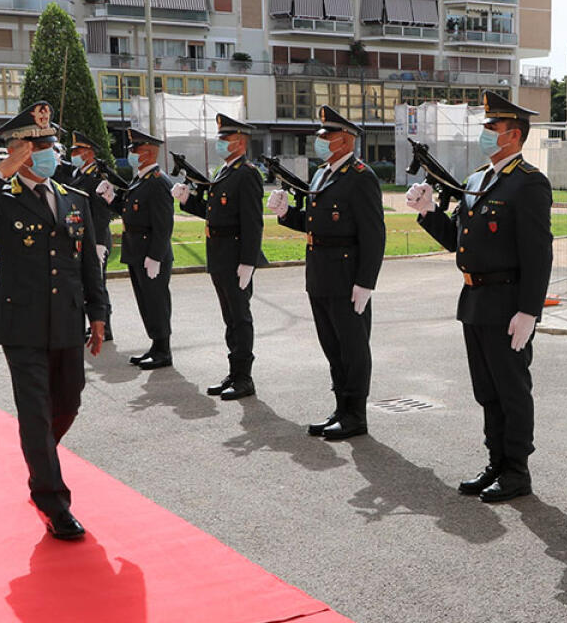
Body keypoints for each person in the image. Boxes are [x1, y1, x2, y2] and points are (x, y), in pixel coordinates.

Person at [0, 101, 107, 540]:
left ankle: (39, 459)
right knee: (36, 413)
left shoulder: (73, 199)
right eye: (38, 146)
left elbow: (88, 265)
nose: (49, 153)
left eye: (51, 145)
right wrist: (1, 173)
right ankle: (53, 499)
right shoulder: (1, 198)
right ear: (18, 150)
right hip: (22, 325)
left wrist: (99, 315)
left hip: (67, 322)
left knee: (69, 402)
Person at [405, 91, 553, 503]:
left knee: (511, 389)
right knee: (486, 391)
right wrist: (427, 212)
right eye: (485, 127)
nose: (486, 134)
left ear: (514, 136)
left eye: (493, 128)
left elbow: (539, 254)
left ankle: (516, 471)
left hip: (507, 305)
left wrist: (529, 311)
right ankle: (496, 461)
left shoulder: (528, 184)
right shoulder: (475, 180)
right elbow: (457, 240)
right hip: (474, 301)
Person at [267, 105, 386, 440]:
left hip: (348, 278)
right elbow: (313, 223)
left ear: (346, 140)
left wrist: (366, 282)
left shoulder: (361, 177)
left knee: (353, 348)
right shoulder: (323, 174)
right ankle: (340, 408)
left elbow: (374, 235)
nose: (320, 141)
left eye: (327, 136)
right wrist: (287, 213)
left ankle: (355, 415)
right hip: (319, 274)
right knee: (332, 348)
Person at [171, 112, 264, 399]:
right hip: (219, 254)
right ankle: (234, 372)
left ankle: (244, 378)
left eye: (225, 138)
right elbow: (213, 213)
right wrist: (187, 201)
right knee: (229, 317)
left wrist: (248, 261)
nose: (220, 142)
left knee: (240, 316)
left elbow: (253, 222)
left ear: (240, 142)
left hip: (236, 256)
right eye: (220, 138)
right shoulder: (223, 172)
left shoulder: (246, 174)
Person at [96, 127, 175, 370]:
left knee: (156, 301)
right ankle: (155, 345)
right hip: (136, 251)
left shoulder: (159, 183)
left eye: (135, 150)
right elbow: (130, 211)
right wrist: (112, 199)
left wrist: (155, 256)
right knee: (145, 301)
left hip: (150, 254)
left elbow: (163, 225)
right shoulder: (139, 179)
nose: (131, 154)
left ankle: (163, 350)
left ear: (149, 153)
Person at [61, 130, 118, 342]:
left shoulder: (99, 177)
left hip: (97, 239)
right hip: (83, 238)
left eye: (78, 150)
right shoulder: (79, 175)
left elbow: (103, 213)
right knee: (87, 284)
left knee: (97, 283)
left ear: (89, 153)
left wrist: (99, 243)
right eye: (73, 150)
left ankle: (106, 325)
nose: (73, 153)